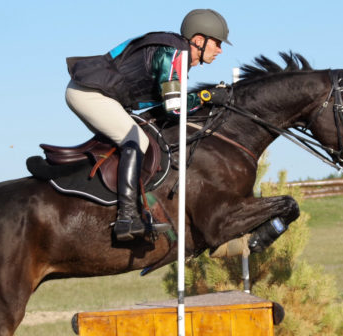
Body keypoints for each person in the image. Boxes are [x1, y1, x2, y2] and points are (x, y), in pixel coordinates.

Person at [65, 9, 231, 241]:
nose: (220, 50)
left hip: (99, 95)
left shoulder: (177, 53)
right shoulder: (174, 53)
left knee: (141, 138)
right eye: (217, 43)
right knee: (137, 140)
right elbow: (175, 108)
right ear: (199, 40)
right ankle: (126, 218)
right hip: (89, 94)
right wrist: (206, 97)